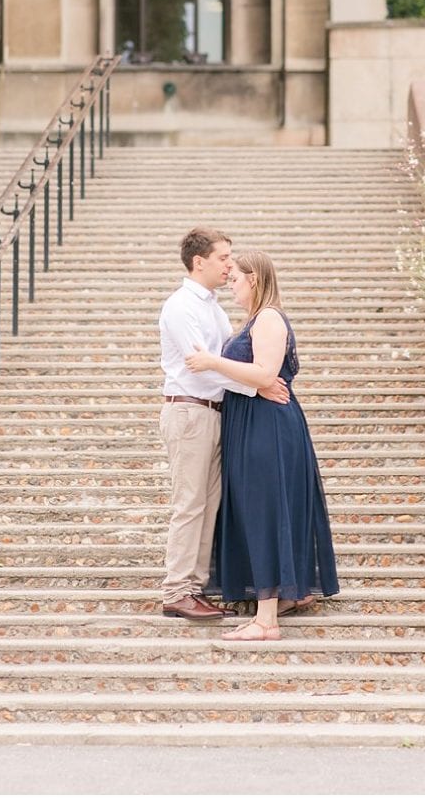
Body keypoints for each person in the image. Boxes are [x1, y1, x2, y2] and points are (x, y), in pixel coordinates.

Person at [186, 250, 340, 640]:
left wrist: (212, 362)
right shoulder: (253, 320)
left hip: (267, 427)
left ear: (254, 279)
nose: (230, 283)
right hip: (251, 422)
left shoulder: (269, 317)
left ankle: (266, 620)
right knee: (263, 507)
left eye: (235, 277)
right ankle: (287, 593)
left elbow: (265, 373)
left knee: (266, 510)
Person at [157, 227, 289, 621]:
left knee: (208, 503)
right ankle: (177, 589)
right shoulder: (181, 306)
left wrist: (252, 383)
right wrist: (257, 387)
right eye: (223, 258)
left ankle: (194, 586)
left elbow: (221, 361)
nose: (230, 265)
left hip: (215, 413)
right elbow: (201, 368)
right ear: (200, 262)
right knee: (190, 502)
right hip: (190, 410)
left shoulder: (212, 306)